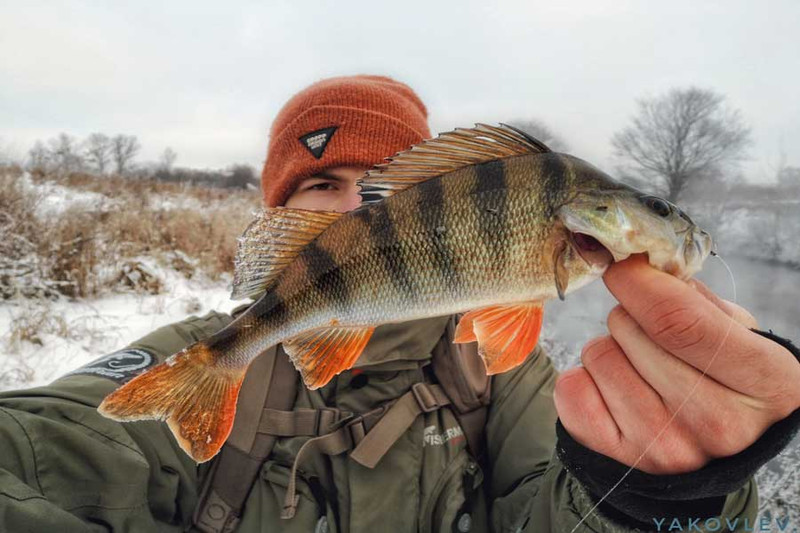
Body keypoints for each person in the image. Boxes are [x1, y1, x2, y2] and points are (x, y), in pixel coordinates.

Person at [1, 75, 798, 533]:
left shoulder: (503, 380)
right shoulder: (199, 344)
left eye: (380, 185)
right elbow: (41, 444)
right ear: (280, 207)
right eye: (322, 183)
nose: (354, 208)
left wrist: (667, 491)